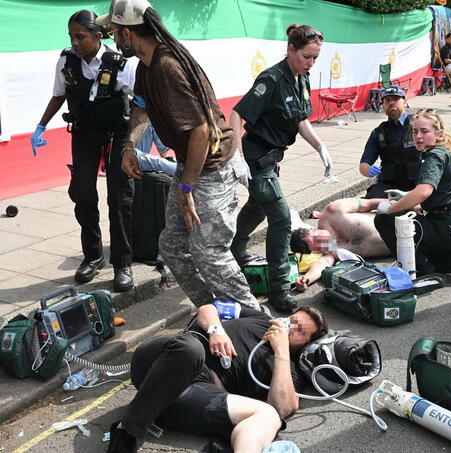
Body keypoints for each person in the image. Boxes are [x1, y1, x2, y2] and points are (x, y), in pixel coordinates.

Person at [101, 0, 258, 308]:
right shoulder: (147, 66)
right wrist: (130, 145)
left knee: (208, 252)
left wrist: (187, 188)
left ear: (127, 34)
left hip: (213, 169)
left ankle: (255, 319)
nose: (114, 40)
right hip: (192, 165)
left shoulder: (166, 67)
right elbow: (141, 108)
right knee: (172, 247)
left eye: (115, 33)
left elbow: (201, 132)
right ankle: (212, 312)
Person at [105, 302, 327, 453]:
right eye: (291, 320)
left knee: (269, 416)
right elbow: (208, 308)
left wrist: (281, 349)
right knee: (191, 350)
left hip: (186, 397)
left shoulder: (288, 368)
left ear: (305, 344)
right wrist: (216, 330)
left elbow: (282, 407)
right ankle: (127, 431)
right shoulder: (260, 318)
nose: (289, 327)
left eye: (298, 330)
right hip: (164, 358)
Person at [30, 10, 136, 292]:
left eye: (80, 37)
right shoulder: (66, 61)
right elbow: (58, 95)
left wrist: (133, 142)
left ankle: (122, 262)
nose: (74, 42)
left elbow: (139, 102)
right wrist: (40, 126)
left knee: (119, 198)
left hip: (116, 134)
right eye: (71, 37)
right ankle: (93, 256)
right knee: (83, 194)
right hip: (84, 133)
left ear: (98, 36)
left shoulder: (120, 63)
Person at [229, 24, 333, 313]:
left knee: (257, 208)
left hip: (272, 158)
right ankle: (278, 288)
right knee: (282, 219)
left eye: (315, 58)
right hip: (256, 158)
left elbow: (299, 118)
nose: (311, 63)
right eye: (307, 56)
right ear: (290, 50)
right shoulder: (272, 79)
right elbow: (237, 113)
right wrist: (237, 154)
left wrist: (320, 146)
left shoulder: (301, 77)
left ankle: (234, 251)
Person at [290, 198, 451, 291]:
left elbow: (371, 203)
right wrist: (306, 279)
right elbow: (322, 265)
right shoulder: (331, 251)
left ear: (313, 228)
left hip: (406, 223)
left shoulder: (332, 212)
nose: (323, 244)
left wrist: (407, 205)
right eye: (317, 247)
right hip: (409, 249)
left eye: (317, 238)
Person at [373, 109, 451, 280]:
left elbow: (423, 192)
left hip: (449, 227)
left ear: (438, 134)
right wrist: (407, 198)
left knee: (384, 219)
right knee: (412, 217)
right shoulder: (447, 151)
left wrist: (390, 209)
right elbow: (442, 192)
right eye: (415, 131)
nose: (418, 136)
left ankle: (424, 268)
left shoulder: (433, 157)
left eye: (424, 131)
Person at [358, 86, 421, 199]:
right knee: (369, 204)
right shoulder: (379, 132)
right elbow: (363, 165)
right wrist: (369, 170)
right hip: (389, 185)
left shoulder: (419, 124)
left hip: (418, 184)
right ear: (382, 106)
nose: (391, 102)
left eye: (396, 99)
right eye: (387, 100)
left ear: (405, 101)